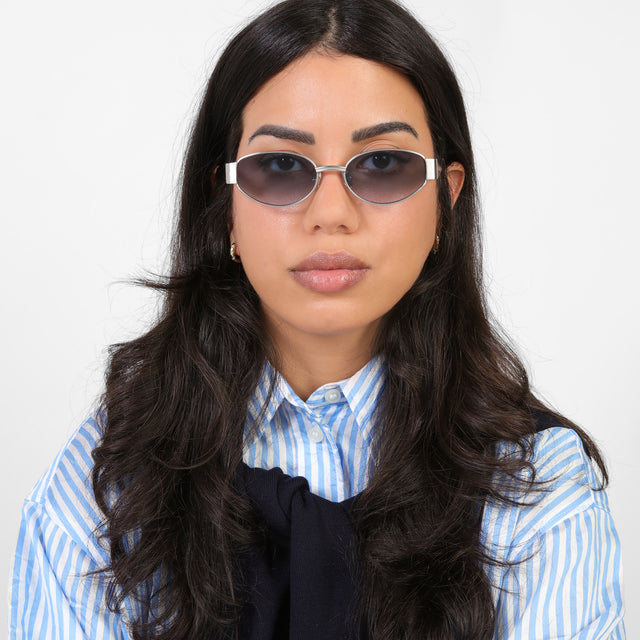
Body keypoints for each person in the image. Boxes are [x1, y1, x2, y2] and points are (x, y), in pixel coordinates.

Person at [10, 0, 625, 638]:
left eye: (383, 165)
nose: (331, 215)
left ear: (445, 199)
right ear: (225, 209)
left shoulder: (538, 488)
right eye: (280, 167)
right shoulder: (105, 487)